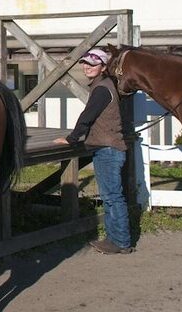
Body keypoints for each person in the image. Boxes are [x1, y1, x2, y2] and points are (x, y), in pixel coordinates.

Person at [53, 47, 133, 254]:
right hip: (108, 148)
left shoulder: (101, 89)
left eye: (93, 63)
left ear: (104, 67)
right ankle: (118, 240)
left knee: (112, 197)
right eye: (85, 63)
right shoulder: (105, 86)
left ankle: (120, 241)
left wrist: (71, 139)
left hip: (107, 149)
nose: (87, 67)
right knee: (112, 196)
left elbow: (87, 117)